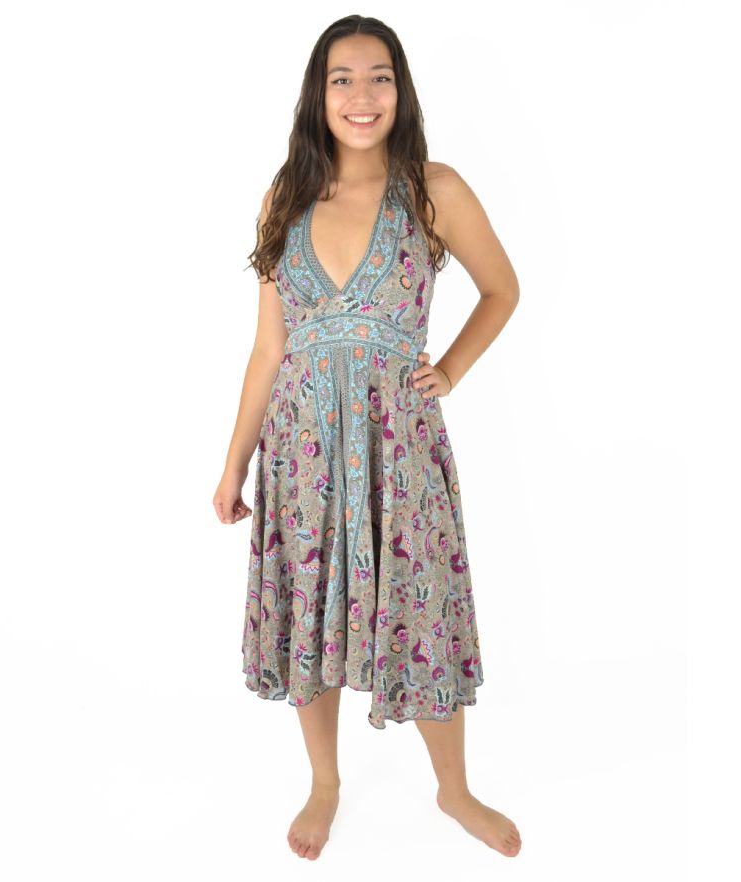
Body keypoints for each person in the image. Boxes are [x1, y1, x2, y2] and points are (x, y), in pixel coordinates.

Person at [214, 15, 520, 862]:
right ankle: (325, 782)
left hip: (399, 446)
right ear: (318, 94)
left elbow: (502, 289)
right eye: (342, 78)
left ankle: (453, 789)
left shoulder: (433, 190)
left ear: (400, 89)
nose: (361, 95)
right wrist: (234, 463)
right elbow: (268, 349)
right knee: (308, 604)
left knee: (418, 600)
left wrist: (449, 370)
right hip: (301, 451)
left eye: (379, 76)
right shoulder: (286, 196)